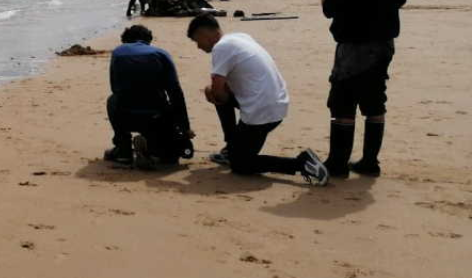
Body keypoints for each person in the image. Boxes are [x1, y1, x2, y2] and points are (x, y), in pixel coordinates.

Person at [186, 14, 328, 185]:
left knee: (241, 164)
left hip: (261, 114)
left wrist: (215, 93)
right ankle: (231, 148)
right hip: (277, 105)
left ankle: (301, 163)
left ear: (205, 34)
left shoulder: (221, 48)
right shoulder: (240, 37)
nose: (198, 46)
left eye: (197, 41)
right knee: (217, 93)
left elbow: (218, 91)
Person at [317, 0, 407, 178]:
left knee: (342, 102)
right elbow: (400, 0)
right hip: (384, 44)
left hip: (356, 45)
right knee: (374, 102)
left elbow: (328, 10)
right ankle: (369, 161)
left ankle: (337, 163)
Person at [104, 24, 194, 169]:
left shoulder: (118, 53)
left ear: (125, 40)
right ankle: (153, 149)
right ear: (149, 40)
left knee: (113, 100)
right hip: (157, 117)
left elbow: (115, 88)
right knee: (168, 157)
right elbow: (176, 94)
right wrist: (185, 127)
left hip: (127, 115)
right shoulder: (161, 54)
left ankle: (124, 150)